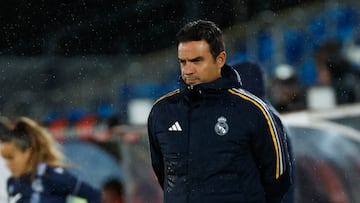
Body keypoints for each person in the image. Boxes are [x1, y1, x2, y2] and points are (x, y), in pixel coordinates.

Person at [147, 20, 292, 203]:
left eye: (196, 61)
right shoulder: (162, 112)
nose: (188, 70)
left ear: (220, 59)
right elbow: (163, 174)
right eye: (182, 62)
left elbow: (278, 179)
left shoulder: (253, 111)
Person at [0, 116, 101, 203]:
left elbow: (93, 195)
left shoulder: (51, 175)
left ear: (28, 152)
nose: (7, 164)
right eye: (4, 158)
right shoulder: (12, 183)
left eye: (10, 157)